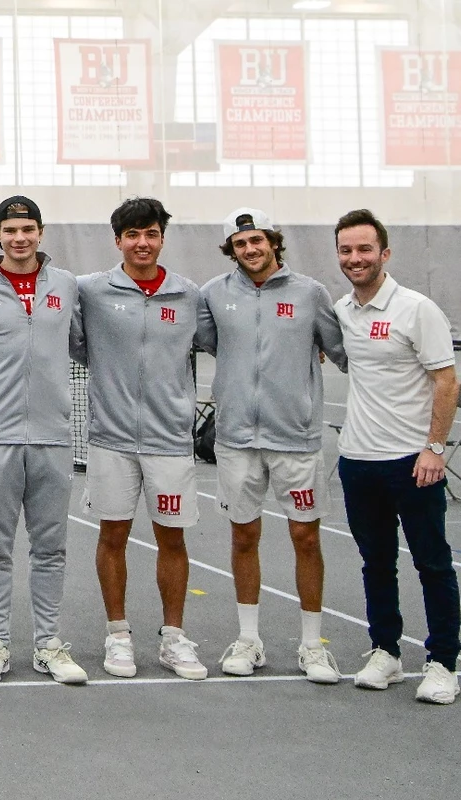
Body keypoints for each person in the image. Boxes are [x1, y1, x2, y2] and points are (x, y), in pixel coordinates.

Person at [195, 208, 345, 684]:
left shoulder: (311, 293)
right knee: (244, 536)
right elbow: (211, 344)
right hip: (236, 439)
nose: (250, 250)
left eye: (257, 240)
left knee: (306, 537)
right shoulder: (214, 295)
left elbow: (343, 351)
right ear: (231, 250)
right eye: (240, 244)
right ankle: (248, 639)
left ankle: (312, 645)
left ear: (273, 242)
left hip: (297, 440)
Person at [0, 195, 88, 685]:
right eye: (10, 230)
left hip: (54, 438)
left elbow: (88, 345)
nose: (19, 238)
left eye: (27, 228)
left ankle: (49, 643)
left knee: (51, 547)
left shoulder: (67, 286)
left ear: (41, 232)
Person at [71, 198, 207, 680]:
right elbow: (70, 340)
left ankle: (173, 639)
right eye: (132, 235)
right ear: (118, 240)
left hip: (170, 442)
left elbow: (228, 337)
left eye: (150, 234)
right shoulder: (90, 291)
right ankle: (118, 636)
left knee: (173, 539)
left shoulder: (189, 295)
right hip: (110, 439)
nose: (142, 243)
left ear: (162, 238)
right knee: (113, 537)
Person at [329, 209, 459, 705]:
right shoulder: (343, 310)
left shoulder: (417, 309)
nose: (355, 258)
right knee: (376, 562)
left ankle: (444, 660)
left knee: (432, 563)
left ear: (384, 254)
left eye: (364, 249)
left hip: (412, 462)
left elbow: (446, 381)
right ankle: (385, 650)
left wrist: (434, 448)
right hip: (358, 461)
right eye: (346, 250)